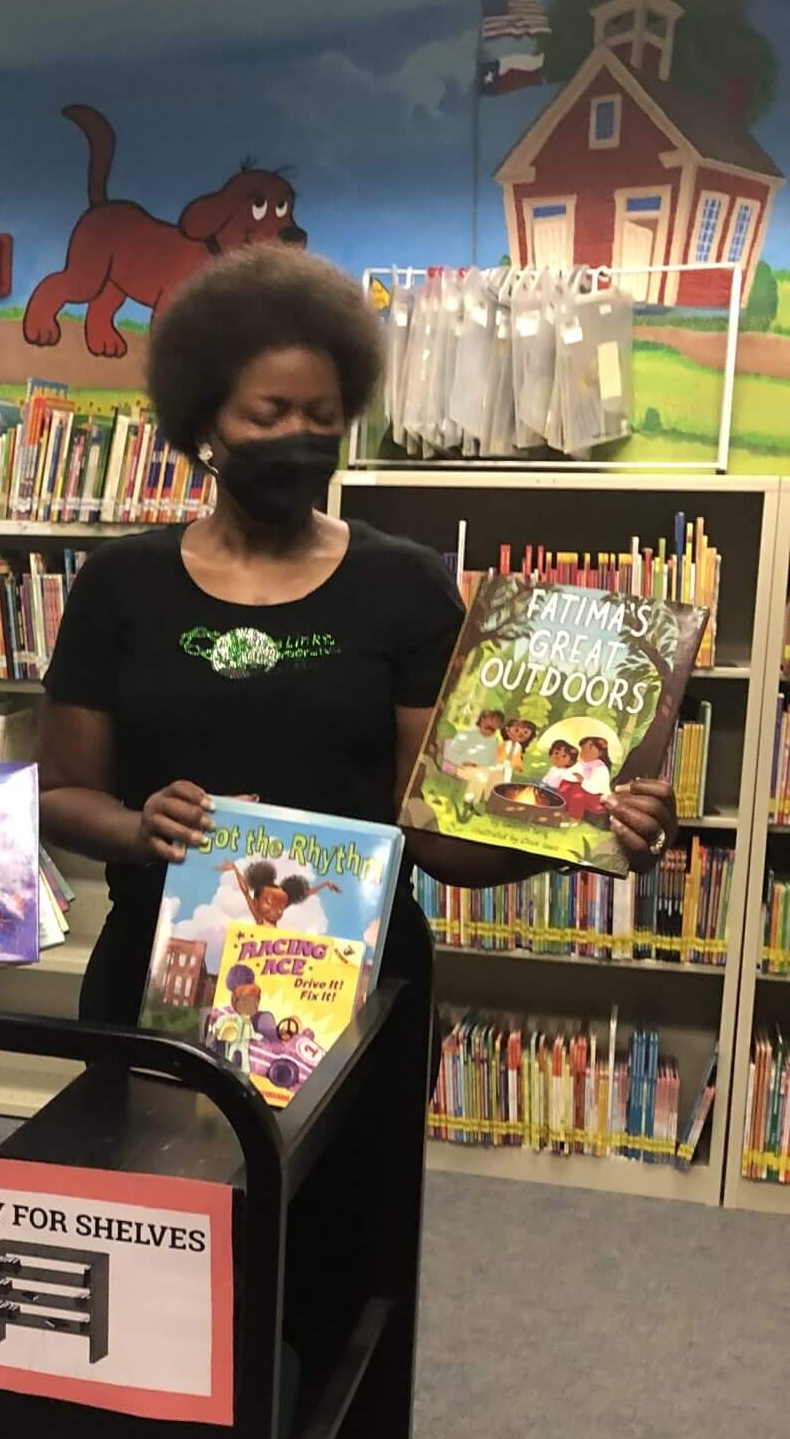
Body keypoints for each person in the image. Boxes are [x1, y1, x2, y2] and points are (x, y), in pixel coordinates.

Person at [36, 247, 675, 1033]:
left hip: (356, 989)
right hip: (159, 974)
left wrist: (595, 834)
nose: (298, 437)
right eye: (268, 416)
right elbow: (60, 795)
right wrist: (140, 830)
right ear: (204, 424)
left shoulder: (405, 585)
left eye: (323, 417)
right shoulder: (121, 583)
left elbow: (439, 836)